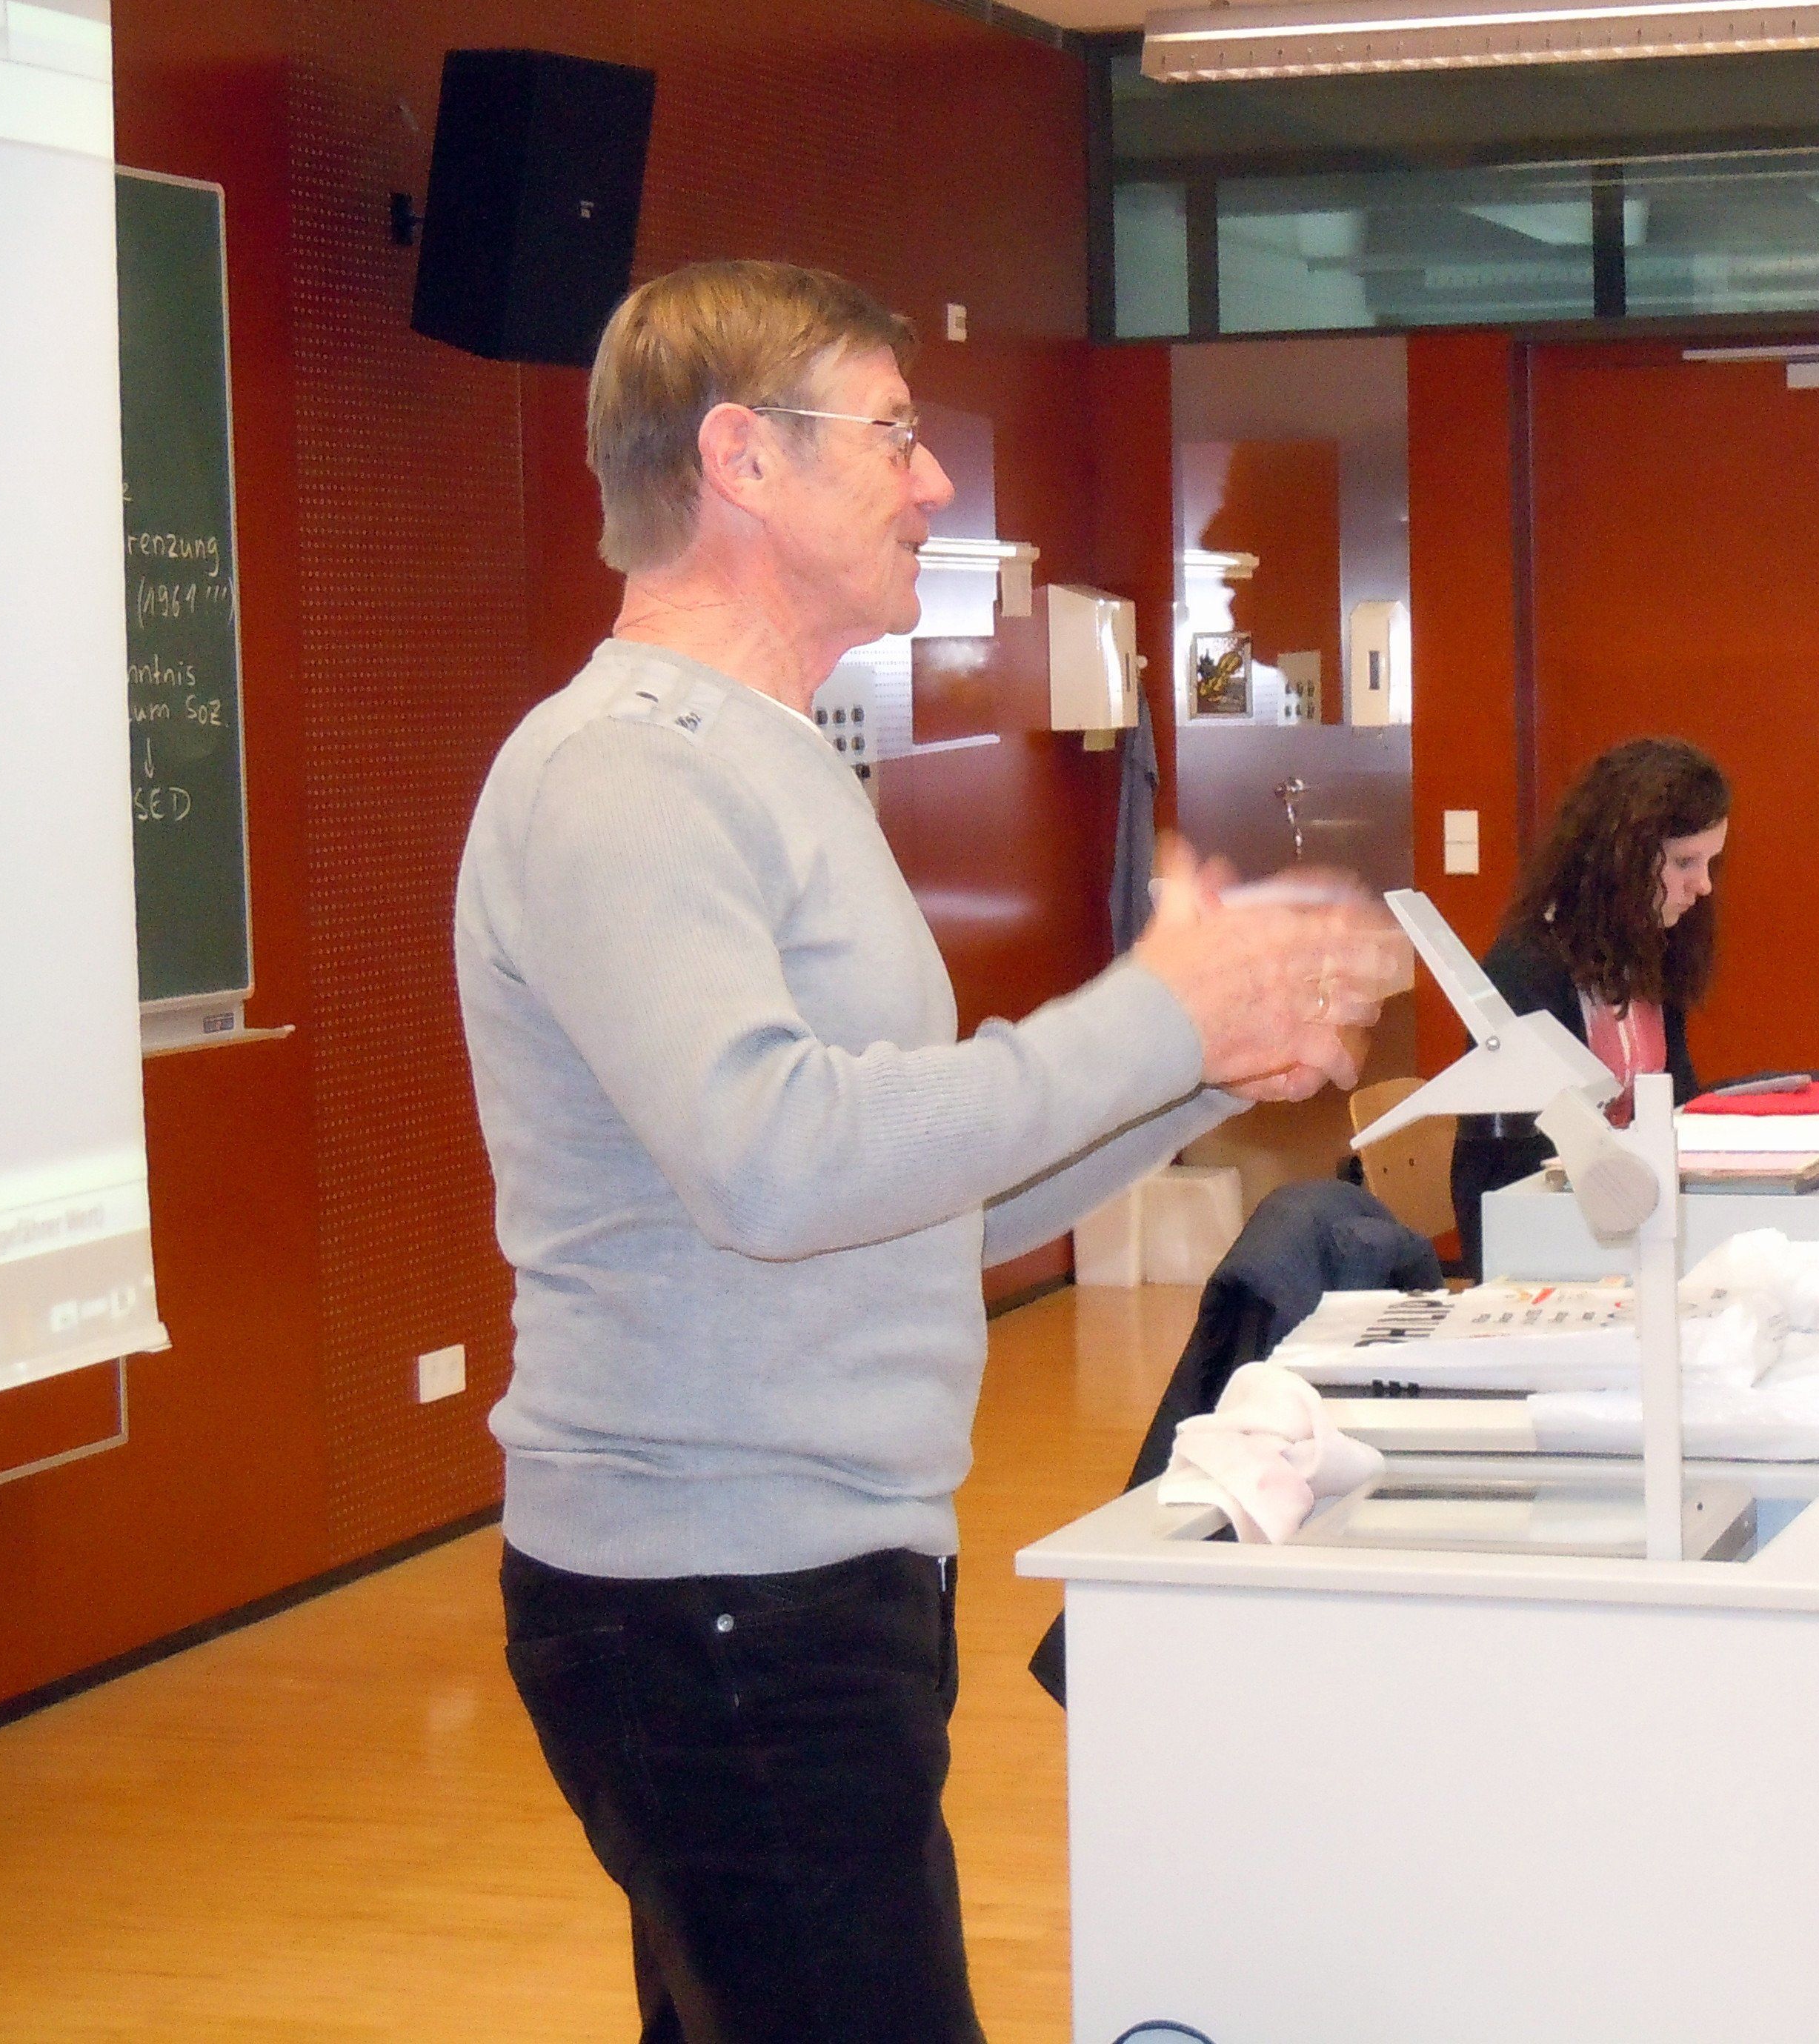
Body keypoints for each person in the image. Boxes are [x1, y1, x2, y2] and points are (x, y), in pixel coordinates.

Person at [453, 259, 1403, 2044]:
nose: (937, 480)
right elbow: (775, 1160)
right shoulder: (622, 774)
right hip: (715, 1596)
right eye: (892, 433)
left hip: (802, 1578)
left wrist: (1205, 1064)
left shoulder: (768, 762)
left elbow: (908, 1201)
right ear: (741, 457)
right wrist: (1152, 1016)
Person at [1447, 739, 1729, 1279]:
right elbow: (1517, 1170)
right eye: (1684, 863)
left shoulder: (1650, 955)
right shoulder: (1525, 970)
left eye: (1709, 862)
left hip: (1622, 1221)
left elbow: (1675, 1107)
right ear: (1622, 859)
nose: (1703, 886)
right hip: (1546, 1243)